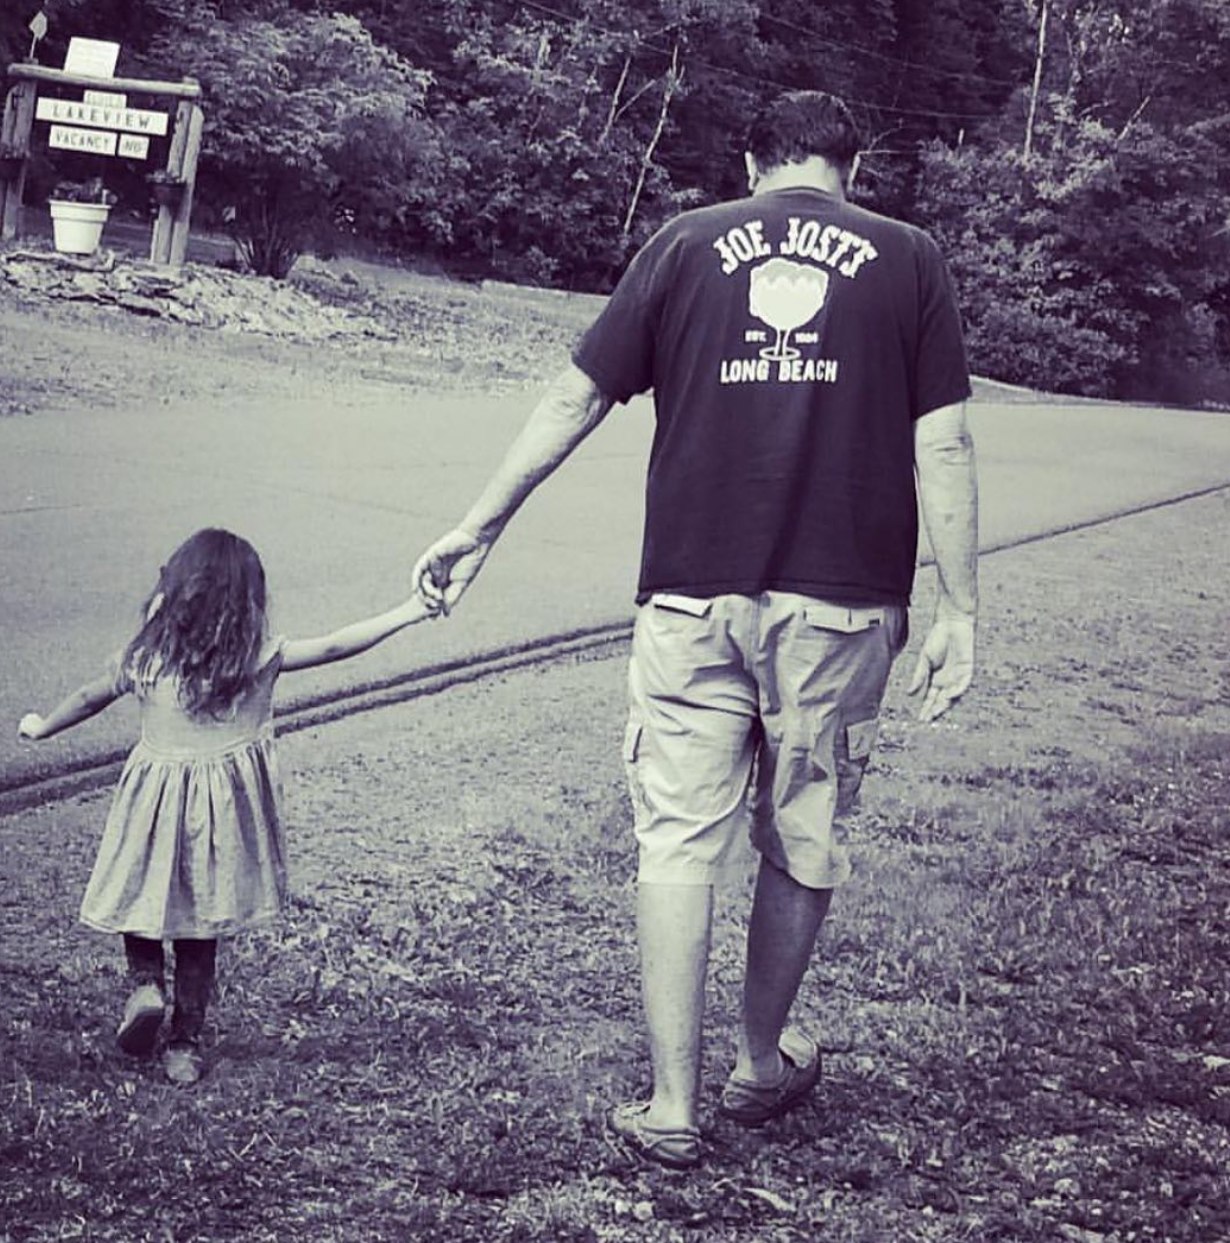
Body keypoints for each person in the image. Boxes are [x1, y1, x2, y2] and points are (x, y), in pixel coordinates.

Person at [412, 91, 978, 1169]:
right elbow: (943, 446)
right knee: (803, 827)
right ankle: (759, 1062)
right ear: (849, 170)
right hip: (843, 600)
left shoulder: (684, 243)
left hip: (689, 595)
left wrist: (477, 525)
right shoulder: (909, 258)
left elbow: (574, 398)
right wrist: (960, 607)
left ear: (753, 157)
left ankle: (672, 1105)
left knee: (676, 838)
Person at [19, 526, 437, 1085]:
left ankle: (145, 984)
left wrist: (43, 726)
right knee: (199, 928)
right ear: (248, 603)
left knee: (143, 896)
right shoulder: (258, 659)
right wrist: (410, 610)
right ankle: (184, 1044)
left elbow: (90, 696)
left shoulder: (148, 656)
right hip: (215, 826)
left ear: (176, 592)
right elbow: (339, 643)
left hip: (152, 812)